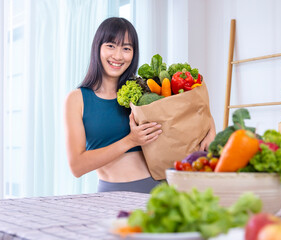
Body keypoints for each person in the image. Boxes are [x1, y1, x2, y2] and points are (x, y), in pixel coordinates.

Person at [64, 17, 215, 193]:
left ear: (133, 54)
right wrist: (130, 141)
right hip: (111, 193)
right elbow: (77, 166)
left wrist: (211, 132)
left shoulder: (144, 90)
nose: (118, 56)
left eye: (126, 48)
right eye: (111, 46)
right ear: (97, 48)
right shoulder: (77, 99)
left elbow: (190, 108)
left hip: (160, 188)